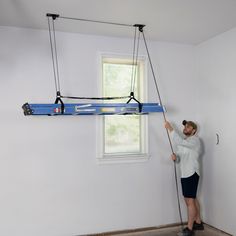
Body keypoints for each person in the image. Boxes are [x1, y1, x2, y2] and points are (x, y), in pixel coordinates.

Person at [165, 120, 204, 236]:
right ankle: (198, 222)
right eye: (185, 126)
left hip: (192, 173)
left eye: (188, 126)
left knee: (189, 201)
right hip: (185, 174)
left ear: (194, 130)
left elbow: (179, 141)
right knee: (192, 199)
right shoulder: (185, 142)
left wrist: (170, 129)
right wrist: (175, 158)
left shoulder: (195, 140)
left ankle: (190, 229)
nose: (186, 128)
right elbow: (179, 159)